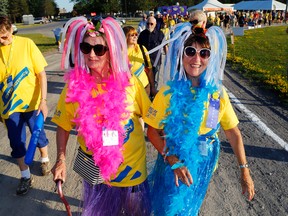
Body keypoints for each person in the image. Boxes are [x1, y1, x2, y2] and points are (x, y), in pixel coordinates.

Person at [143, 22, 255, 215]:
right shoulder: (168, 93)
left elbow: (232, 132)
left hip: (204, 164)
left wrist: (244, 170)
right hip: (173, 161)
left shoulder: (217, 94)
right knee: (168, 207)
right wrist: (172, 159)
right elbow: (152, 130)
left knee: (190, 208)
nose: (196, 59)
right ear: (181, 54)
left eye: (204, 53)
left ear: (210, 59)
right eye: (190, 51)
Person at [51, 16, 151, 215]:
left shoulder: (130, 83)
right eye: (86, 48)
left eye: (99, 49)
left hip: (133, 173)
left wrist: (171, 154)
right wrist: (61, 159)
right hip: (98, 177)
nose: (92, 55)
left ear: (111, 51)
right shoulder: (74, 88)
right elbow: (63, 125)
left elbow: (152, 120)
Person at [0, 16, 50, 195]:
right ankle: (25, 176)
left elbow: (41, 74)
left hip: (32, 102)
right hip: (9, 107)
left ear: (11, 30)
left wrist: (43, 101)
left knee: (38, 135)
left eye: (4, 36)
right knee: (16, 141)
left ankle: (44, 159)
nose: (1, 41)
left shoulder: (27, 44)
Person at [123, 26, 157, 97]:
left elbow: (149, 70)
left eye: (136, 34)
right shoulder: (120, 52)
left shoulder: (142, 48)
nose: (135, 37)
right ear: (125, 37)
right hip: (128, 89)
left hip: (144, 86)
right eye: (132, 35)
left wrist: (153, 87)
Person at [138, 16, 167, 93]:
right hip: (144, 61)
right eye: (148, 24)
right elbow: (137, 46)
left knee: (155, 80)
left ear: (155, 24)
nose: (149, 25)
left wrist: (167, 57)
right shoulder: (142, 34)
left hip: (156, 61)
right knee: (146, 80)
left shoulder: (160, 34)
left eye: (151, 24)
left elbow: (165, 46)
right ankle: (147, 95)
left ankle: (153, 96)